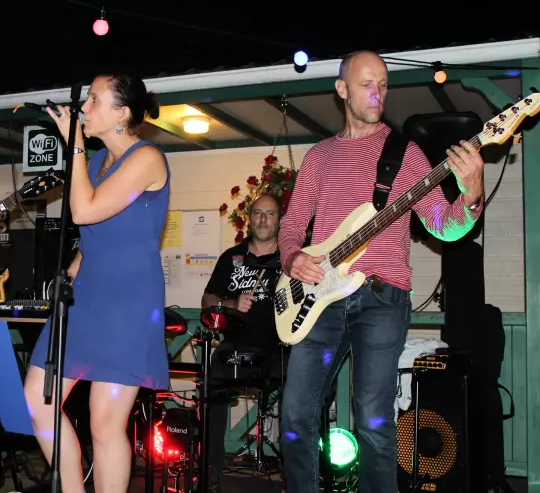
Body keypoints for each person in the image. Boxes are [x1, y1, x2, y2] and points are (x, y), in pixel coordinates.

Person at [277, 50, 484, 493]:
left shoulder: (406, 154)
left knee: (373, 421)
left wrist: (471, 195)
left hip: (381, 299)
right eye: (367, 84)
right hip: (319, 300)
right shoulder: (319, 156)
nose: (378, 93)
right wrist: (292, 256)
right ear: (342, 89)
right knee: (294, 414)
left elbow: (443, 225)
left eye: (384, 85)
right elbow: (292, 224)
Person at [23, 73, 169, 493]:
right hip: (86, 297)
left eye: (93, 99)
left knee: (104, 423)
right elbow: (97, 230)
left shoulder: (147, 158)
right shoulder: (93, 162)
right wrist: (72, 268)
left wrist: (73, 143)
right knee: (37, 400)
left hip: (128, 301)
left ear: (122, 113)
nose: (83, 108)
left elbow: (84, 212)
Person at [201, 193, 289, 491]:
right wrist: (231, 302)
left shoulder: (291, 258)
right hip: (235, 349)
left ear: (280, 220)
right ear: (249, 218)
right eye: (258, 213)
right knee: (211, 383)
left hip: (280, 349)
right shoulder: (231, 257)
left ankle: (293, 472)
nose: (263, 219)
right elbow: (207, 299)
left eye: (270, 213)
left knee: (298, 395)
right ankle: (211, 468)